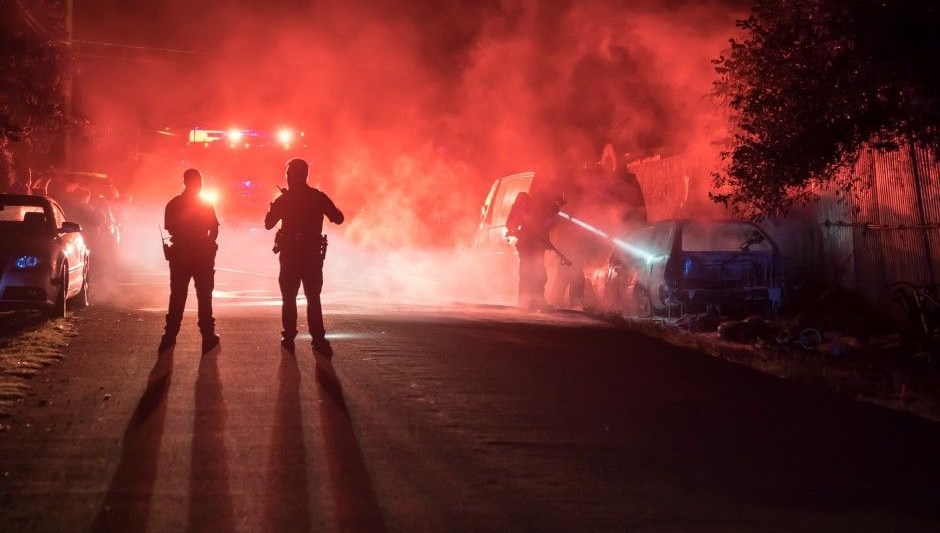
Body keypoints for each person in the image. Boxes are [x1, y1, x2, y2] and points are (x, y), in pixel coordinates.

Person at [265, 158, 344, 355]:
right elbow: (338, 218)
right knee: (313, 298)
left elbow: (268, 224)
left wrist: (274, 207)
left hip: (290, 257)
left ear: (292, 175)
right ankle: (318, 339)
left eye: (288, 173)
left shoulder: (284, 199)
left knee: (289, 298)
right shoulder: (318, 197)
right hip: (311, 257)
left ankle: (289, 337)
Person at [159, 168, 220, 354]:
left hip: (180, 255)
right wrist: (209, 244)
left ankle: (169, 337)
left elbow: (169, 229)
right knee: (204, 297)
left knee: (177, 296)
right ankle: (208, 337)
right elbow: (214, 229)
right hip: (202, 255)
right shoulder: (206, 205)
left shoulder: (173, 204)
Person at [508, 181, 568, 311]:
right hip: (530, 243)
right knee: (535, 273)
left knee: (531, 272)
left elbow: (541, 226)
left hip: (532, 243)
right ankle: (531, 302)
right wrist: (541, 235)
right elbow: (538, 225)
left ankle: (527, 302)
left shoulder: (542, 202)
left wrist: (543, 238)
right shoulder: (543, 204)